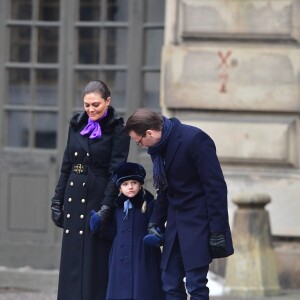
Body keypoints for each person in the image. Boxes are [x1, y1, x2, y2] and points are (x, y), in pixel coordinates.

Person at [125, 108, 234, 300]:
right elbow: (166, 191)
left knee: (196, 285)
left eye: (139, 141)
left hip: (199, 224)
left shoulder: (195, 139)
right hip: (174, 228)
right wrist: (155, 222)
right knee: (170, 284)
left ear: (149, 133)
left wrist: (218, 231)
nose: (140, 145)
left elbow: (215, 188)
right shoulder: (158, 150)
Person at [50, 80, 130, 300]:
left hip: (97, 199)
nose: (91, 109)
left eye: (96, 104)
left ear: (108, 101)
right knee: (72, 259)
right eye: (87, 105)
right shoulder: (76, 125)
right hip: (74, 197)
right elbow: (66, 167)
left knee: (94, 263)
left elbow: (116, 173)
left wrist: (106, 208)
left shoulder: (118, 130)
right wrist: (57, 201)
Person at [90, 162, 165, 300]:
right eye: (125, 184)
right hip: (119, 255)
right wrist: (99, 227)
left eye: (134, 182)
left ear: (140, 183)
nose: (130, 187)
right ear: (119, 187)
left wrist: (158, 236)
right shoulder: (116, 207)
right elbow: (113, 232)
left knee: (143, 290)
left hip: (143, 255)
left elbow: (158, 226)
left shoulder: (149, 204)